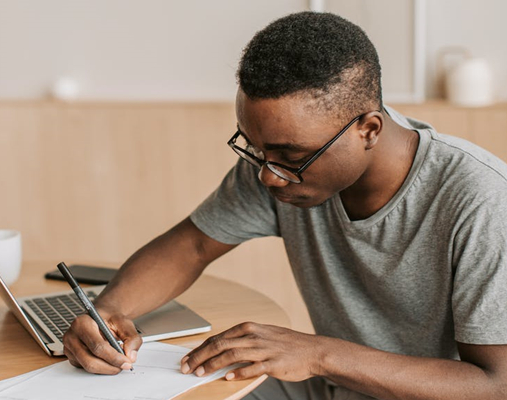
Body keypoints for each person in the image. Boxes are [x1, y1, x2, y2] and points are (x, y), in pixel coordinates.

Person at [63, 11, 507, 400]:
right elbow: (193, 246)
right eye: (255, 149)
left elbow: (495, 385)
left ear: (369, 129)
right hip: (337, 385)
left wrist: (319, 353)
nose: (268, 176)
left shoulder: (479, 200)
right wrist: (108, 311)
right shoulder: (278, 162)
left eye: (291, 158)